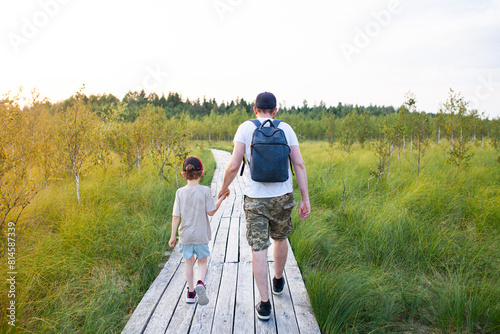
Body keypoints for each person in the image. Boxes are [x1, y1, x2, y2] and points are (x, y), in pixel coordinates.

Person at [217, 92, 310, 320]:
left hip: (255, 198)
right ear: (275, 110)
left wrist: (223, 188)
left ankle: (265, 304)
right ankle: (278, 280)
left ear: (255, 108)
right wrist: (305, 199)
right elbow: (298, 163)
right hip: (283, 196)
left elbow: (233, 165)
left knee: (259, 248)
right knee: (280, 238)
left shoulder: (245, 128)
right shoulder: (286, 128)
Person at [169, 156, 228, 305]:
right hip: (201, 234)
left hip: (185, 235)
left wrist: (172, 236)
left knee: (189, 263)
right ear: (201, 173)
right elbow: (211, 212)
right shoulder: (205, 191)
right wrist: (221, 199)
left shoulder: (180, 193)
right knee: (202, 262)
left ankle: (190, 292)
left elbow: (176, 216)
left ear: (184, 174)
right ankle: (200, 283)